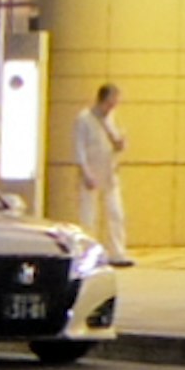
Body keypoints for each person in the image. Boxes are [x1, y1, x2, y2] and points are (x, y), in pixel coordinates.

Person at [72, 82, 129, 258]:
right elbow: (78, 148)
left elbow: (119, 140)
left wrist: (121, 143)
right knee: (89, 216)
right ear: (102, 100)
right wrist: (86, 172)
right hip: (91, 170)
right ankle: (88, 253)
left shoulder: (112, 118)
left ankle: (117, 253)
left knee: (116, 213)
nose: (112, 107)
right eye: (110, 103)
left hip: (110, 172)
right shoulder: (84, 119)